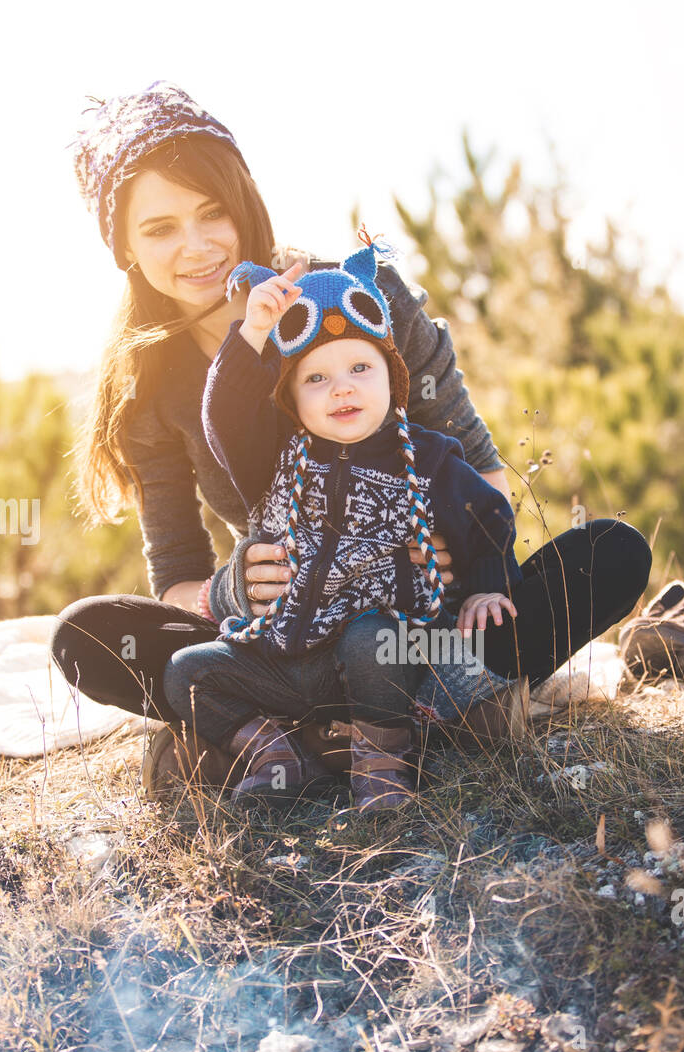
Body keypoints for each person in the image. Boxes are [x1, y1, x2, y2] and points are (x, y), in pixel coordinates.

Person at [52, 81, 652, 792]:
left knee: (609, 553)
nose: (197, 247)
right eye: (159, 229)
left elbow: (484, 477)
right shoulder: (151, 386)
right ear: (122, 245)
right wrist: (228, 590)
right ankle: (404, 722)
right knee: (86, 635)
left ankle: (338, 731)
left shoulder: (361, 300)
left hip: (419, 616)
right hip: (288, 634)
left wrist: (451, 579)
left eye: (212, 213)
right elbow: (176, 576)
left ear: (244, 202)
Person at [161, 233, 525, 812]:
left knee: (370, 637)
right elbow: (224, 418)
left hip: (385, 659)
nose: (342, 387)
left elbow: (486, 515)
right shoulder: (276, 461)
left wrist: (487, 585)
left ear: (391, 376)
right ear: (293, 400)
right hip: (290, 664)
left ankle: (383, 756)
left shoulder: (427, 458)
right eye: (316, 379)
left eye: (360, 366)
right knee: (185, 671)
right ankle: (277, 753)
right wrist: (254, 332)